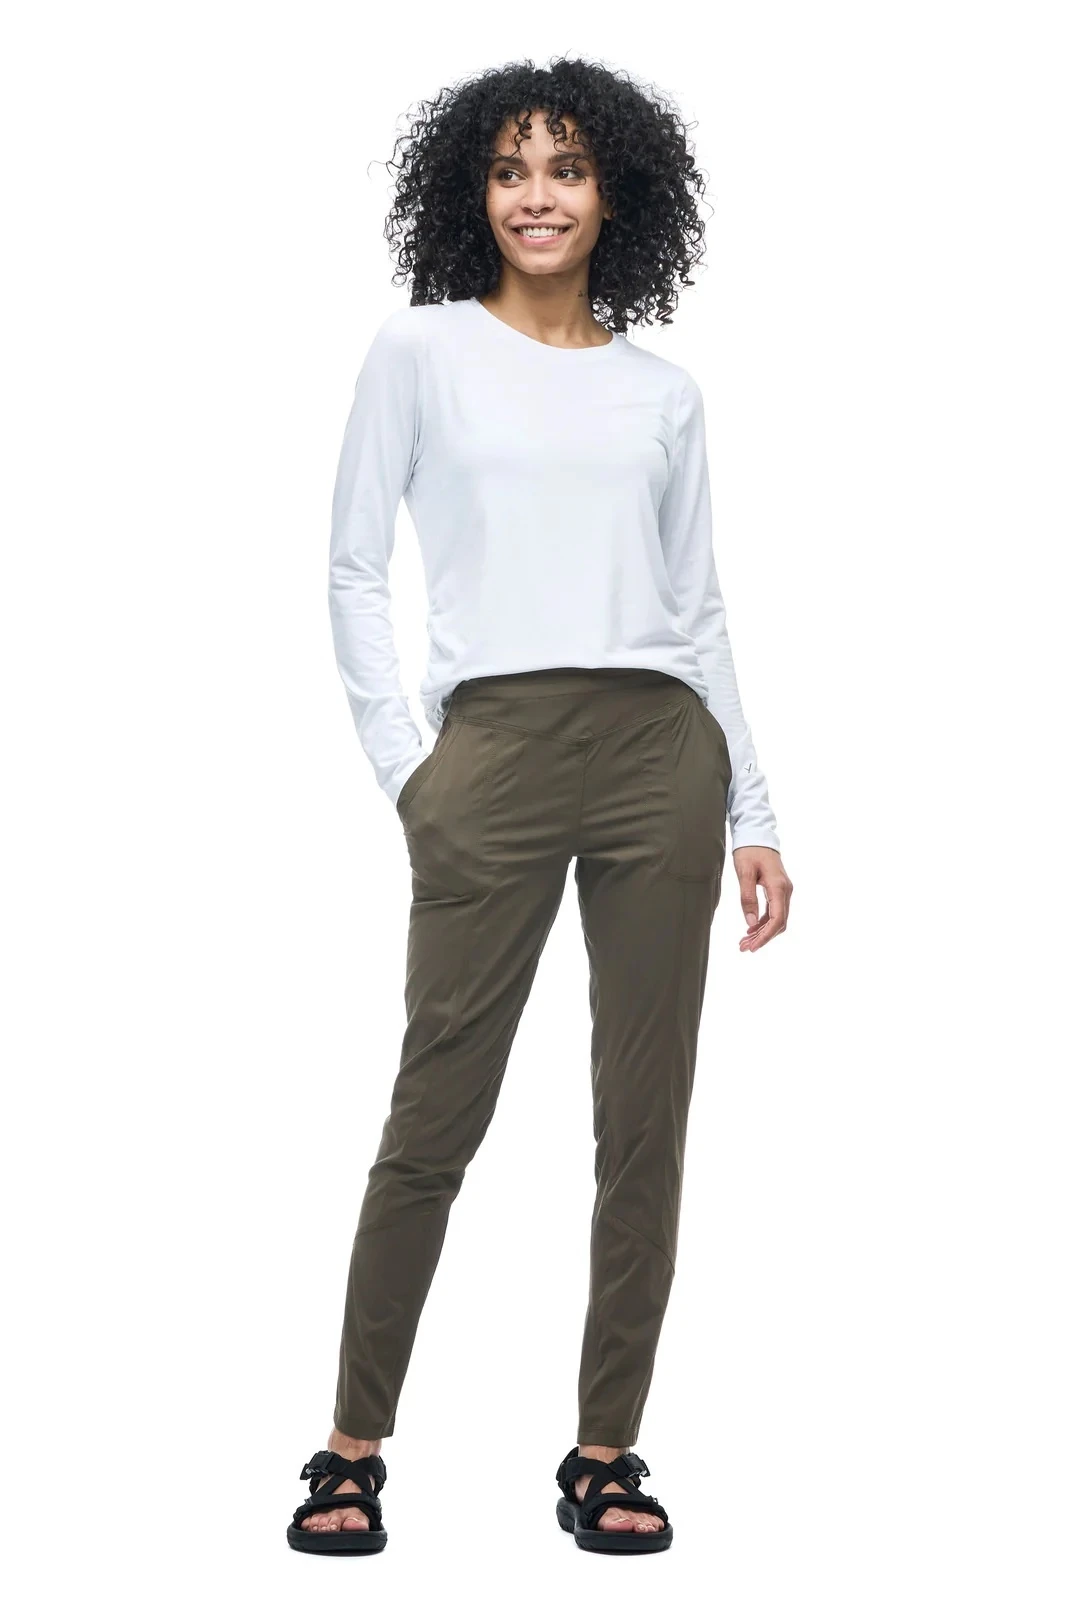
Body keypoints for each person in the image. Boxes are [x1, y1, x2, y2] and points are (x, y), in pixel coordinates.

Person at [287, 57, 793, 1558]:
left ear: (614, 192)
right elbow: (352, 567)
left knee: (645, 1124)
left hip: (660, 756)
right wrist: (410, 770)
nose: (537, 196)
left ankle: (605, 1450)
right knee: (434, 1111)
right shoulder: (421, 351)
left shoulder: (663, 393)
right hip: (490, 754)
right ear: (475, 194)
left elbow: (700, 611)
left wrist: (754, 808)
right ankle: (351, 1446)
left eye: (567, 168)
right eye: (511, 170)